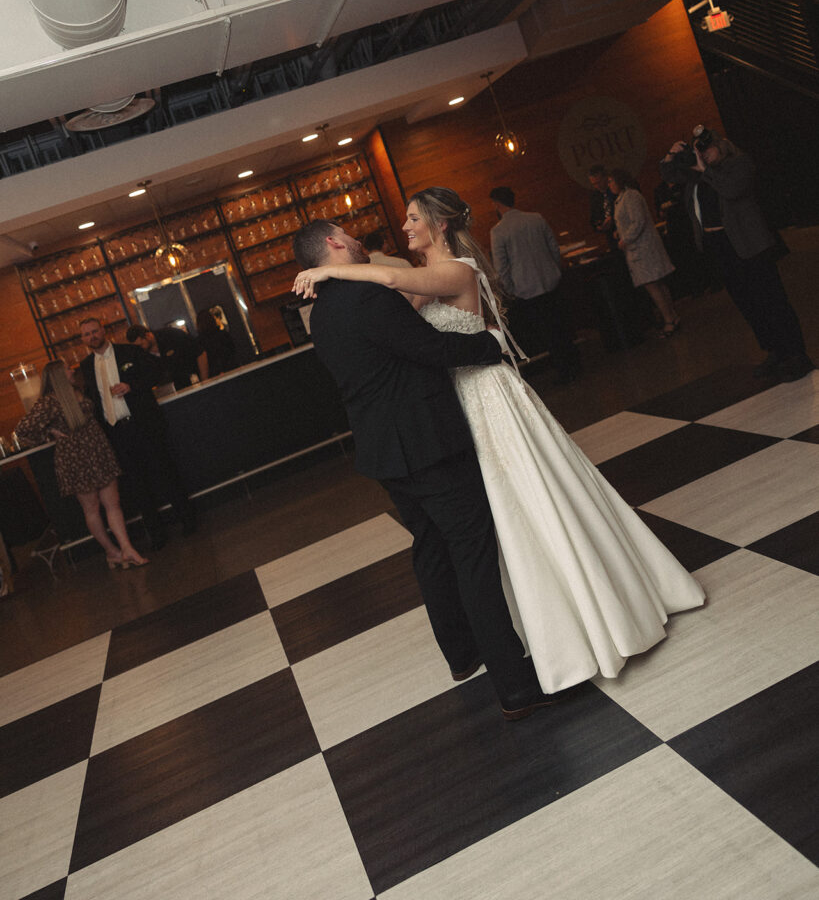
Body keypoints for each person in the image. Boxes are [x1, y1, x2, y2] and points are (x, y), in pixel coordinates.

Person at [294, 188, 705, 695]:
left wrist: (334, 272)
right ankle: (511, 651)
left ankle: (507, 645)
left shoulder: (448, 272)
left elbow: (396, 281)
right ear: (335, 242)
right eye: (402, 220)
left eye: (412, 218)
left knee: (505, 514)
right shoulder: (392, 290)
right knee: (482, 534)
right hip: (445, 415)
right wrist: (485, 343)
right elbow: (412, 323)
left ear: (439, 226)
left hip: (476, 402)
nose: (401, 228)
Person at [292, 219, 551, 721]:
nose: (354, 236)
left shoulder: (321, 313)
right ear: (333, 242)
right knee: (472, 553)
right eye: (346, 231)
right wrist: (491, 345)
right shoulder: (365, 298)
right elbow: (430, 350)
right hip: (425, 443)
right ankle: (516, 685)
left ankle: (461, 653)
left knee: (431, 548)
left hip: (383, 451)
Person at [660, 127, 813, 382]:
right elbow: (669, 174)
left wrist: (704, 170)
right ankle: (774, 350)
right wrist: (670, 155)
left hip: (749, 245)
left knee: (772, 300)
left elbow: (732, 190)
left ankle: (796, 354)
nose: (704, 155)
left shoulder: (738, 164)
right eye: (699, 151)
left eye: (707, 149)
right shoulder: (697, 175)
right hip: (720, 247)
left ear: (722, 146)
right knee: (748, 303)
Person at [15, 361, 148, 569]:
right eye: (68, 369)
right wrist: (48, 433)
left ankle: (127, 548)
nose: (72, 370)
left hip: (97, 448)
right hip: (74, 456)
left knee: (113, 503)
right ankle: (112, 551)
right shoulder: (49, 402)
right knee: (92, 508)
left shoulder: (79, 391)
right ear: (59, 375)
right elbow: (23, 429)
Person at [78, 317, 196, 549]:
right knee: (137, 486)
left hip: (143, 424)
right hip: (117, 432)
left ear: (103, 330)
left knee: (164, 473)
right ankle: (156, 533)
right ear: (83, 339)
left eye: (94, 331)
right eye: (86, 334)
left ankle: (188, 519)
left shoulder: (129, 352)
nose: (92, 336)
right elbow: (92, 399)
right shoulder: (85, 366)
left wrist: (131, 386)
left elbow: (156, 372)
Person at [489, 186, 580, 382]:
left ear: (497, 204)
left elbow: (501, 266)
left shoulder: (498, 231)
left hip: (525, 288)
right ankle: (575, 364)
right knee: (561, 326)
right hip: (550, 281)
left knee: (545, 332)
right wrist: (555, 271)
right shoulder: (536, 218)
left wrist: (510, 289)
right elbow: (554, 249)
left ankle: (564, 371)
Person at [608, 168, 680, 337]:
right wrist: (619, 231)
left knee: (653, 284)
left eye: (611, 181)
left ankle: (669, 318)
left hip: (642, 247)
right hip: (638, 248)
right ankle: (672, 315)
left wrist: (624, 238)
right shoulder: (621, 199)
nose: (609, 184)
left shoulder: (631, 196)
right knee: (657, 283)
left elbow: (638, 221)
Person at [125, 323, 208, 389]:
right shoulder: (143, 355)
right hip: (176, 391)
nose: (141, 348)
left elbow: (200, 353)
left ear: (148, 336)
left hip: (196, 380)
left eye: (141, 344)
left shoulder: (171, 335)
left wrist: (205, 382)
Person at [195, 308, 237, 377]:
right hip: (231, 370)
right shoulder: (224, 334)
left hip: (213, 375)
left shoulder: (199, 341)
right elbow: (232, 352)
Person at [588, 164, 617, 248]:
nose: (598, 186)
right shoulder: (594, 197)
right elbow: (593, 219)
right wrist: (599, 226)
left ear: (606, 178)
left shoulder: (615, 190)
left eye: (599, 182)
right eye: (594, 184)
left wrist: (613, 218)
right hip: (610, 238)